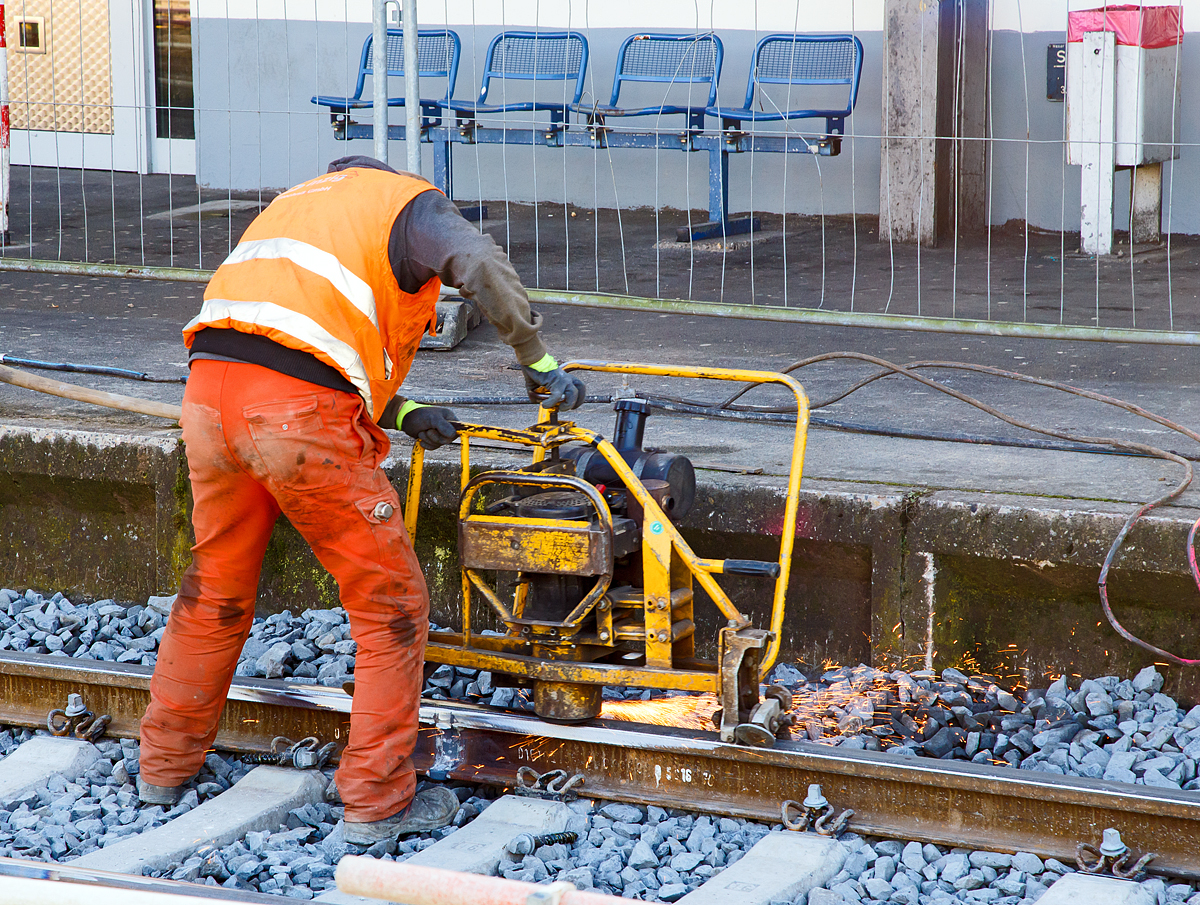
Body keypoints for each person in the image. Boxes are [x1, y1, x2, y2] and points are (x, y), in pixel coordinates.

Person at [137, 156, 586, 845]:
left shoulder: (301, 201)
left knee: (215, 589)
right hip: (294, 415)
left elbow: (294, 337)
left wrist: (399, 412)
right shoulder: (410, 205)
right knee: (391, 604)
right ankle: (377, 803)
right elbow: (479, 262)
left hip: (208, 398)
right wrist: (537, 358)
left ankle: (162, 767)